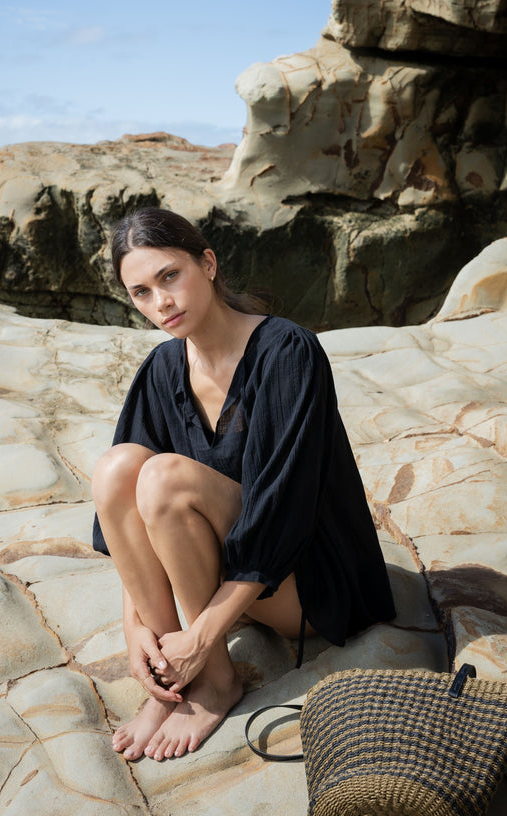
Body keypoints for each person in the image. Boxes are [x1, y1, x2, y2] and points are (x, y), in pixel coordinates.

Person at [91, 207, 395, 763]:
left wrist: (203, 638)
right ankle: (168, 681)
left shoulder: (288, 353)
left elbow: (285, 515)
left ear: (207, 264)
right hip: (221, 578)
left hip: (305, 582)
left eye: (169, 276)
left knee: (164, 476)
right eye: (140, 292)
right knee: (117, 467)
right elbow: (128, 521)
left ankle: (213, 679)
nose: (161, 302)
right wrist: (137, 628)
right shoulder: (162, 369)